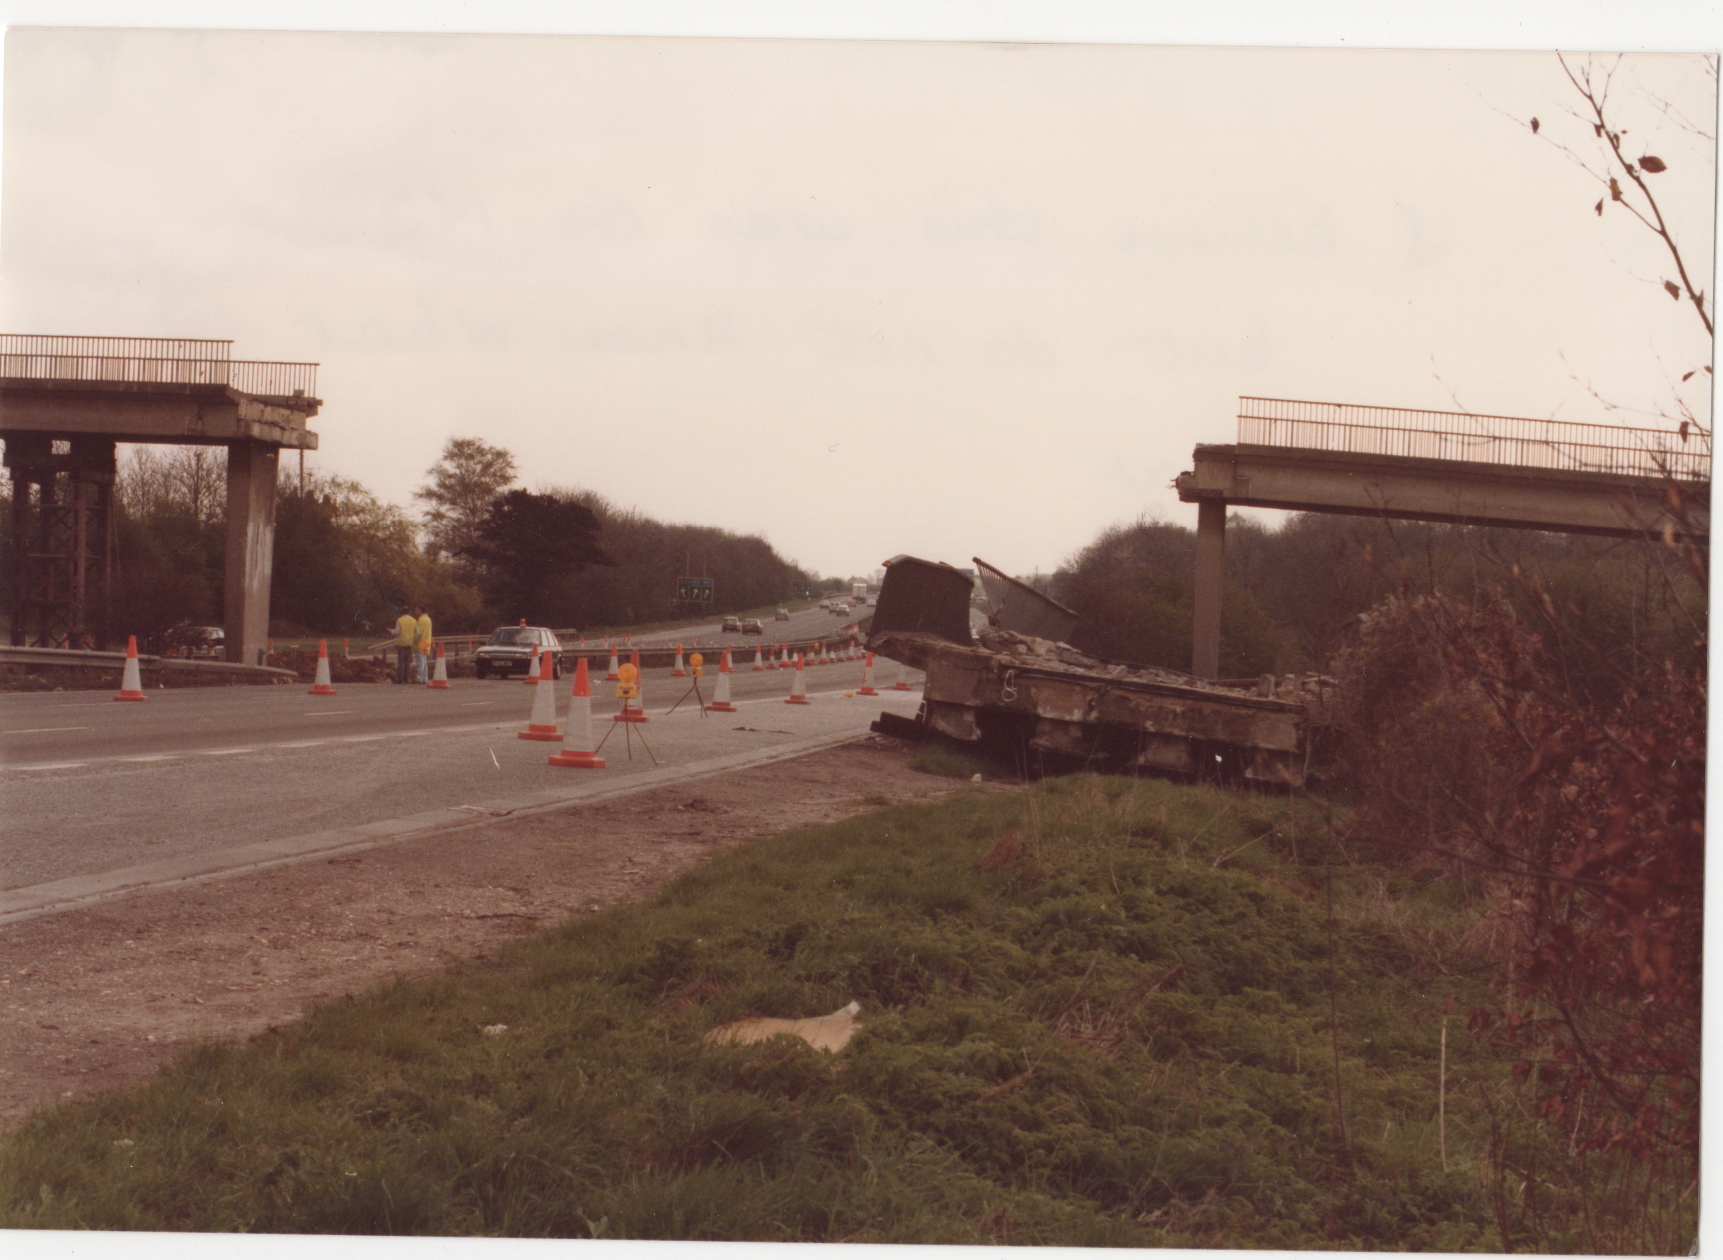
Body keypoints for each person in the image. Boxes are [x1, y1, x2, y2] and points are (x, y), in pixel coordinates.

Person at [393, 608, 417, 684]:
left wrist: (391, 631)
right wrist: (413, 639)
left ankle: (400, 679)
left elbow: (397, 632)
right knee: (407, 662)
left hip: (401, 643)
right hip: (409, 643)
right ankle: (406, 679)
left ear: (402, 613)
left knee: (401, 662)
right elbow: (417, 632)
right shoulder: (414, 620)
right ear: (409, 612)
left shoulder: (399, 620)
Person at [413, 604, 433, 684]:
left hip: (420, 643)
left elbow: (418, 633)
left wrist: (413, 640)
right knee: (424, 662)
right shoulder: (428, 619)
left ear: (421, 611)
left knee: (420, 661)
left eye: (416, 610)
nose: (415, 612)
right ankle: (425, 678)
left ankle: (419, 678)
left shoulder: (421, 620)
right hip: (426, 642)